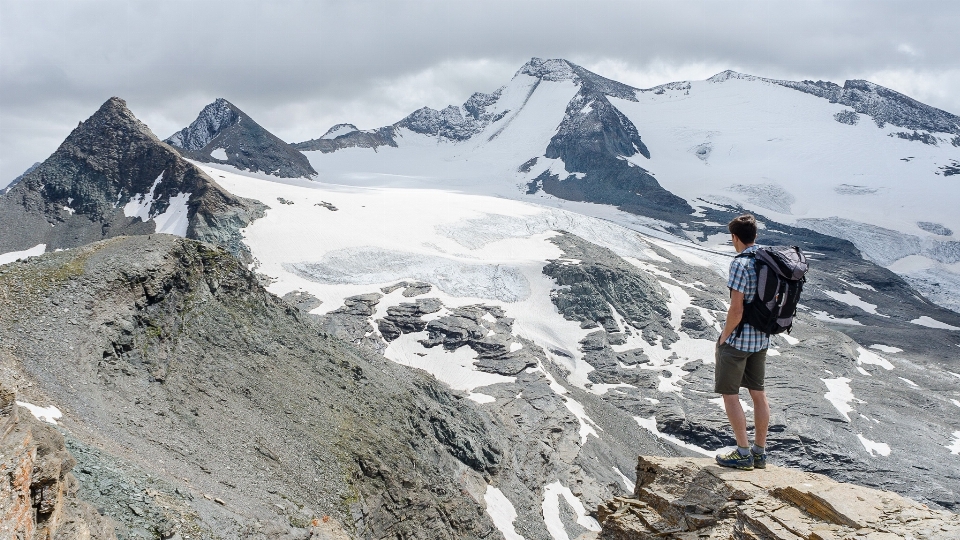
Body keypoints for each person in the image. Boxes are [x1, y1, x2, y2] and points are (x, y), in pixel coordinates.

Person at [714, 214, 770, 471]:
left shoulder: (741, 264)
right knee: (758, 394)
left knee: (730, 394)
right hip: (761, 338)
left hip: (739, 340)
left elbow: (736, 309)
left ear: (735, 237)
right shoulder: (768, 260)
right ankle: (759, 453)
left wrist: (725, 336)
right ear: (755, 235)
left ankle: (743, 453)